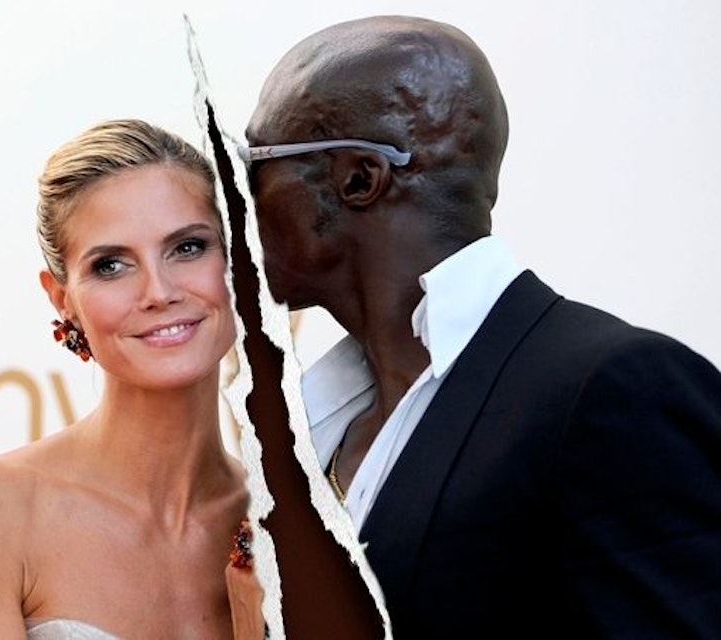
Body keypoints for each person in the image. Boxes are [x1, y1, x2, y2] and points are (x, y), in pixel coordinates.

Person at [243, 15, 721, 638]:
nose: (235, 199)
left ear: (358, 178)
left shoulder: (616, 388)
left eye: (254, 164)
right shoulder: (313, 419)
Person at [0, 119, 262, 640]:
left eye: (188, 247)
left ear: (238, 261)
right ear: (63, 300)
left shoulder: (291, 523)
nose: (159, 291)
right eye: (111, 266)